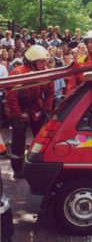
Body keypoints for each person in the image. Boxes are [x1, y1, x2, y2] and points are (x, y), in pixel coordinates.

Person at [5, 45, 54, 179]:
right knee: (19, 138)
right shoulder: (19, 73)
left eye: (45, 61)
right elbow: (11, 96)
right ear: (32, 61)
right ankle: (17, 168)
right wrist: (16, 117)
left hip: (35, 107)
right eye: (41, 61)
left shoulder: (46, 72)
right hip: (19, 108)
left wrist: (46, 109)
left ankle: (38, 166)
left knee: (41, 137)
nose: (44, 64)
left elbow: (50, 93)